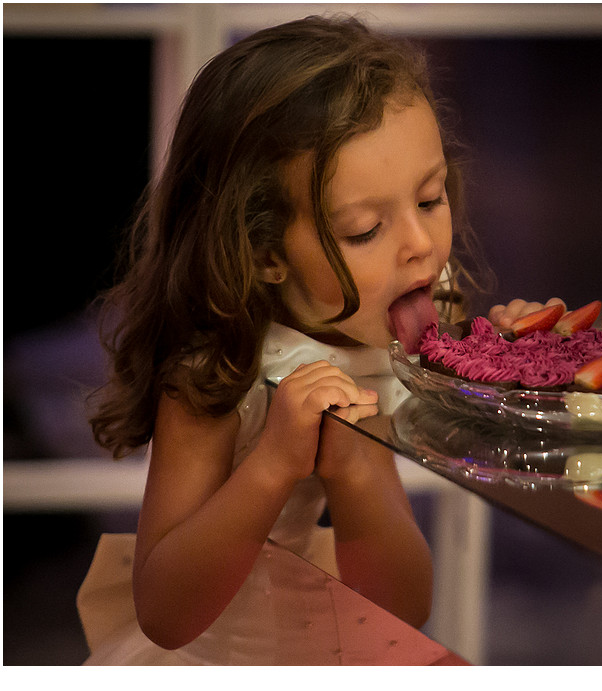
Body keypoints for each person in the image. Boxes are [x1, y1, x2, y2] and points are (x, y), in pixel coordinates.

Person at [79, 15, 561, 665]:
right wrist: (274, 462)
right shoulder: (212, 371)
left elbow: (401, 606)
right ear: (265, 249)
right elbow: (166, 612)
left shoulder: (374, 347)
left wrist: (357, 464)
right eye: (365, 229)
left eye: (430, 197)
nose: (420, 245)